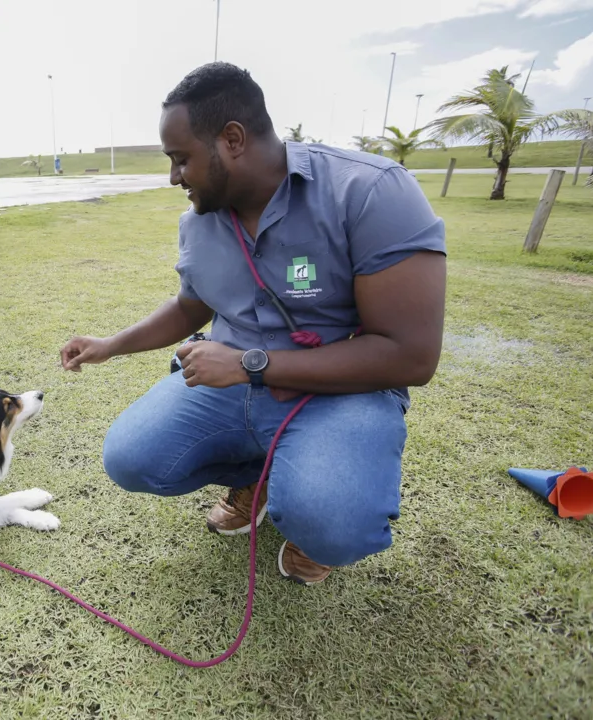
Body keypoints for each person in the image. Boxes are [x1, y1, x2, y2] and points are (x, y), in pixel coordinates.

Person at [59, 62, 447, 585]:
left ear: (233, 140)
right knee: (131, 458)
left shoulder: (370, 191)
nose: (174, 177)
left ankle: (312, 527)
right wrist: (111, 345)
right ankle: (255, 481)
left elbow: (410, 355)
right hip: (232, 382)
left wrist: (249, 365)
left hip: (337, 392)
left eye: (181, 159)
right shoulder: (200, 219)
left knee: (331, 520)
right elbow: (192, 307)